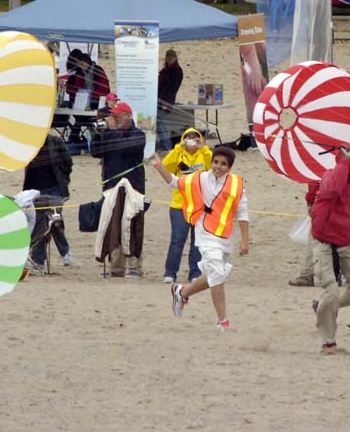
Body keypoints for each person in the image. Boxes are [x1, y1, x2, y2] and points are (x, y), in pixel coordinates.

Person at [151, 146, 250, 331]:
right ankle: (223, 321)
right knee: (216, 274)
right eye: (215, 162)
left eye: (223, 164)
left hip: (225, 236)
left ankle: (182, 292)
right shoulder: (199, 178)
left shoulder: (237, 184)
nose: (218, 167)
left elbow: (242, 213)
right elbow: (174, 182)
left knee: (215, 274)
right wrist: (158, 164)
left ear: (229, 167)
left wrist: (245, 241)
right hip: (205, 233)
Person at [310, 146, 350, 354]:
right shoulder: (330, 177)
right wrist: (343, 164)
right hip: (324, 244)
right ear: (348, 165)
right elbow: (332, 190)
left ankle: (322, 307)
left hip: (349, 242)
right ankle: (329, 342)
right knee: (331, 292)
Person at [90, 102, 147, 277]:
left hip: (133, 188)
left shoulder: (138, 135)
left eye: (115, 116)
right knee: (113, 226)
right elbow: (96, 152)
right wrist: (98, 134)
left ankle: (135, 266)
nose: (112, 120)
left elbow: (124, 147)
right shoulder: (110, 134)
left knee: (131, 225)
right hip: (112, 187)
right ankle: (116, 267)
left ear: (127, 117)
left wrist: (112, 132)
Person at [160, 128, 212, 283]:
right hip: (179, 205)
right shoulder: (178, 154)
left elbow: (213, 165)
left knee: (197, 242)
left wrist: (203, 147)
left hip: (199, 206)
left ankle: (195, 273)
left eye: (195, 138)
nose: (191, 140)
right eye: (188, 137)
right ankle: (170, 272)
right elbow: (166, 166)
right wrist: (178, 148)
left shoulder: (204, 155)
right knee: (177, 240)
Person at [24, 129, 74, 270]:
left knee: (54, 220)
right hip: (36, 190)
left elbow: (68, 162)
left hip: (55, 188)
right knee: (40, 223)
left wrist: (64, 178)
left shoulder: (55, 141)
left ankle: (66, 252)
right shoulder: (29, 144)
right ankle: (38, 260)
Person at [289, 182, 320, 287]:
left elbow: (314, 183)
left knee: (315, 239)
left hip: (322, 205)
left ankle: (307, 274)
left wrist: (310, 201)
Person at [156, 49, 184, 151]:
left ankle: (166, 145)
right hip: (159, 99)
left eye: (172, 57)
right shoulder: (165, 70)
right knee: (156, 120)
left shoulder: (177, 71)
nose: (170, 59)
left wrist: (165, 102)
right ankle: (165, 145)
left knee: (158, 120)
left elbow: (173, 89)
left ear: (175, 58)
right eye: (168, 57)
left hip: (166, 101)